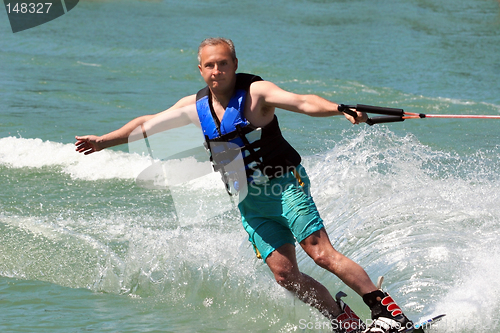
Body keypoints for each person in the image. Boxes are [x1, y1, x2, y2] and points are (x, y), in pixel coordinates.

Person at [75, 37, 413, 333]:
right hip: (249, 200)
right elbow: (147, 124)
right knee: (285, 275)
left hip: (284, 185)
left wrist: (340, 109)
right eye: (210, 65)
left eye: (223, 64)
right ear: (200, 69)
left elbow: (303, 102)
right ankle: (346, 323)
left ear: (235, 65)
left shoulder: (256, 93)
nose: (217, 71)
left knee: (320, 253)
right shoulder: (194, 107)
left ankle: (389, 313)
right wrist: (104, 141)